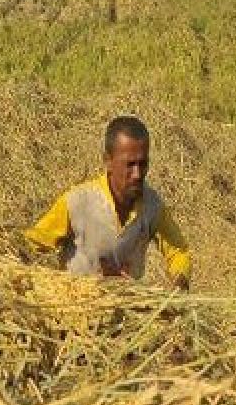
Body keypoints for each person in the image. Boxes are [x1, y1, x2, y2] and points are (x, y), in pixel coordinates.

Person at [26, 116, 191, 290]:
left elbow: (179, 251)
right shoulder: (77, 202)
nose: (137, 174)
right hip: (76, 309)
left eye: (143, 164)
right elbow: (33, 243)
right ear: (108, 161)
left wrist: (179, 282)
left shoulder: (152, 206)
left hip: (127, 310)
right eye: (130, 164)